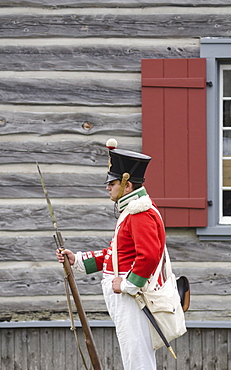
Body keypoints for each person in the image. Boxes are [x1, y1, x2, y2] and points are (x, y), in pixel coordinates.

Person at [56, 138, 166, 370]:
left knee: (137, 359)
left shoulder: (139, 213)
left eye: (112, 183)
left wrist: (128, 285)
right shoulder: (131, 211)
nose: (107, 187)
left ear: (127, 185)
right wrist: (78, 260)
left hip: (133, 297)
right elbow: (116, 253)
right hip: (128, 295)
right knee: (133, 355)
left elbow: (149, 256)